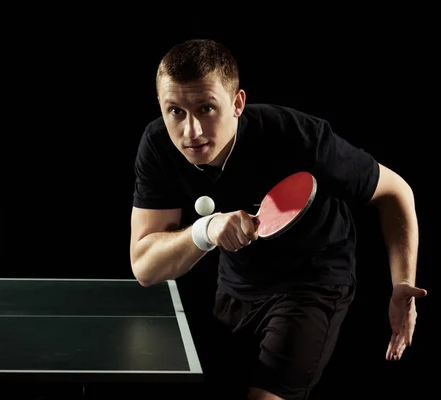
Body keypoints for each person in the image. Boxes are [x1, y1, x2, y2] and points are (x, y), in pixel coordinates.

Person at [129, 38, 427, 400]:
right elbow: (145, 266)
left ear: (237, 103)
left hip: (312, 281)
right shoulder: (159, 146)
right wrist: (205, 231)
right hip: (238, 282)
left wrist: (401, 285)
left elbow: (396, 193)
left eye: (206, 108)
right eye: (175, 111)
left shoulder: (297, 136)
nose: (191, 131)